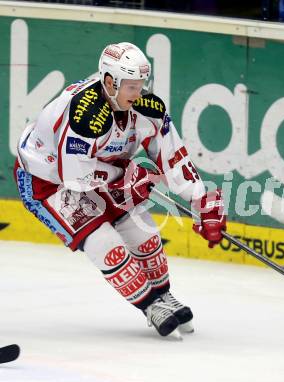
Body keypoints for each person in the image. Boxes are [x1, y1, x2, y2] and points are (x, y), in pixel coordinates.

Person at [14, 42, 226, 338]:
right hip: (47, 180)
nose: (138, 93)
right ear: (110, 82)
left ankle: (164, 296)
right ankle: (151, 305)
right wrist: (127, 177)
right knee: (104, 244)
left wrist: (200, 197)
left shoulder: (145, 108)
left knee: (145, 235)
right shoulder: (85, 115)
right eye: (131, 87)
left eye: (141, 85)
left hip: (102, 170)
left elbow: (172, 154)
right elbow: (75, 177)